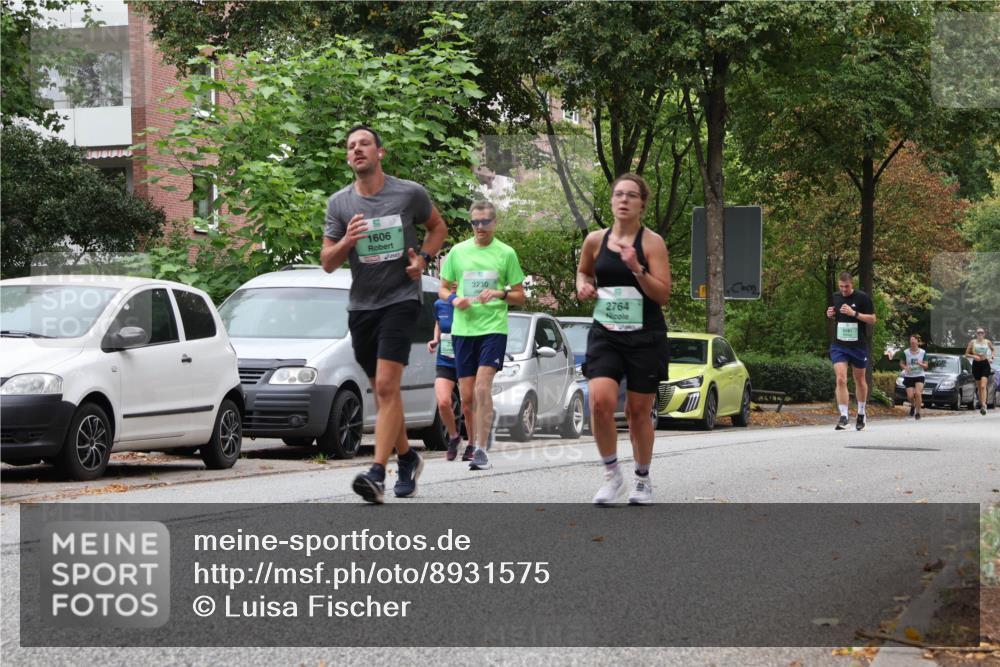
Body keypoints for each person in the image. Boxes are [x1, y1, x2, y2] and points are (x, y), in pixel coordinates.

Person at [321, 124, 447, 503]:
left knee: (389, 387)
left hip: (401, 301)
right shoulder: (339, 204)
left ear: (380, 153)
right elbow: (327, 262)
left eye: (364, 144)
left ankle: (377, 473)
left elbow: (437, 227)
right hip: (362, 307)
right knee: (382, 391)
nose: (357, 150)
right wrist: (347, 240)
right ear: (348, 157)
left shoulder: (408, 193)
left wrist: (422, 260)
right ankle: (407, 457)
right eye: (351, 146)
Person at [576, 173, 671, 506]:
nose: (624, 200)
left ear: (642, 203)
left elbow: (663, 295)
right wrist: (582, 286)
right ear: (612, 200)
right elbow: (584, 271)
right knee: (599, 402)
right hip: (606, 333)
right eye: (619, 194)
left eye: (632, 195)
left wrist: (637, 269)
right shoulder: (594, 240)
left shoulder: (652, 243)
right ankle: (611, 474)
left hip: (645, 335)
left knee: (637, 412)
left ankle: (642, 478)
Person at [438, 201, 525, 471]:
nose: (479, 228)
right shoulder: (458, 252)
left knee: (482, 386)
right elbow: (441, 289)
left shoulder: (506, 253)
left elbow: (521, 296)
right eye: (475, 223)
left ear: (494, 223)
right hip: (463, 331)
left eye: (485, 222)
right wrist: (454, 300)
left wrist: (499, 293)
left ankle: (481, 449)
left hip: (493, 329)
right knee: (466, 398)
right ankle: (473, 441)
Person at [826, 272, 877, 431]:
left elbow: (873, 319)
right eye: (841, 287)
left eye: (846, 287)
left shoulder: (862, 298)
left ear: (852, 284)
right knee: (841, 378)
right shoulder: (836, 296)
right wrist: (830, 314)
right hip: (839, 345)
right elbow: (835, 315)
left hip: (858, 345)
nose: (844, 290)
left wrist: (854, 313)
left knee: (860, 380)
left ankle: (861, 413)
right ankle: (844, 416)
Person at [427, 296, 473, 460]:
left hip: (466, 360)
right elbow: (439, 323)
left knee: (467, 405)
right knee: (443, 402)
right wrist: (436, 339)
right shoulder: (439, 304)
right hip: (445, 360)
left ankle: (472, 444)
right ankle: (454, 437)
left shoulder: (468, 303)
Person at [965, 327, 995, 416]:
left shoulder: (987, 342)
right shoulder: (972, 342)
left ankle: (984, 405)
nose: (980, 334)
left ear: (984, 334)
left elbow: (993, 350)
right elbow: (966, 354)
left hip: (985, 364)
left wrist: (991, 357)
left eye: (982, 333)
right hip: (976, 365)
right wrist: (974, 356)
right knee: (979, 387)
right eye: (978, 333)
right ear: (976, 334)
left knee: (982, 386)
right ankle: (982, 403)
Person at [899, 335, 927, 420]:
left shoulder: (922, 352)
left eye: (914, 343)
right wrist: (905, 367)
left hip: (919, 375)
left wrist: (920, 364)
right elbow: (901, 363)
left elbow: (926, 366)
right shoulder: (906, 352)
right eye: (911, 343)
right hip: (909, 376)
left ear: (917, 343)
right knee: (910, 396)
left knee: (918, 393)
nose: (913, 344)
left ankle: (917, 412)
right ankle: (913, 405)